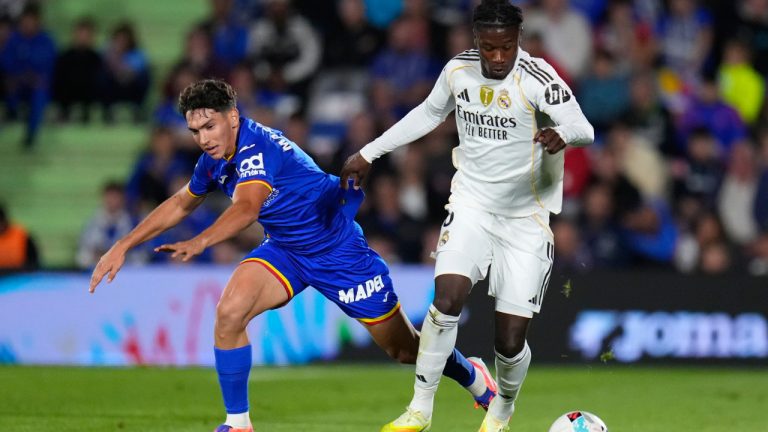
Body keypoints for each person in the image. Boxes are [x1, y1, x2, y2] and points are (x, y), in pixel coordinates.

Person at [88, 79, 496, 432]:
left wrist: (202, 241)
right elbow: (181, 203)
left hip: (337, 250)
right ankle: (238, 422)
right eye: (195, 131)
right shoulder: (213, 161)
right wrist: (123, 244)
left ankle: (473, 375)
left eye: (210, 126)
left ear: (233, 117)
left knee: (405, 350)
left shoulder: (256, 148)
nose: (204, 138)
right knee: (230, 313)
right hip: (285, 249)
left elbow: (247, 208)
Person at [341, 1, 594, 431]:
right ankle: (420, 409)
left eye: (506, 47)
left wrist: (561, 132)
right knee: (446, 300)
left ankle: (502, 408)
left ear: (519, 40)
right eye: (489, 47)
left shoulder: (537, 78)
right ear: (477, 40)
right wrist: (369, 152)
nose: (497, 57)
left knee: (509, 342)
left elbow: (583, 127)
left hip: (525, 219)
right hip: (471, 204)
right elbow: (428, 112)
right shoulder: (458, 70)